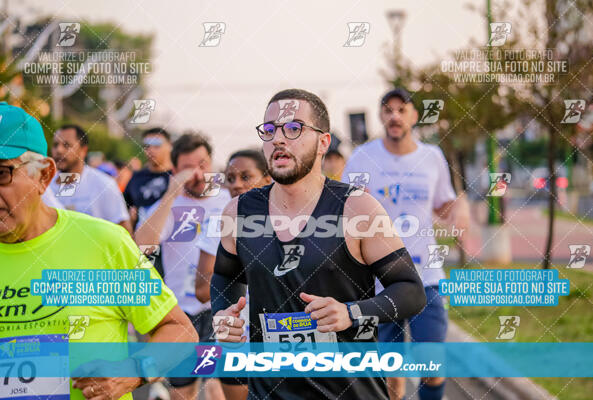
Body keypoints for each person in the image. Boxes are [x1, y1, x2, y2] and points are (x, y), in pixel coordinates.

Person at [210, 89, 427, 399]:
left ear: (323, 142)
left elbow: (411, 291)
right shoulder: (239, 212)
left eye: (293, 128)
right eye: (270, 130)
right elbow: (223, 278)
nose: (279, 140)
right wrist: (224, 314)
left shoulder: (357, 209)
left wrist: (351, 313)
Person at [0, 102, 197, 400]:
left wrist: (133, 371)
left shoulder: (102, 243)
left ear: (43, 175)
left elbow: (180, 333)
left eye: (1, 173)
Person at [342, 87, 470, 400]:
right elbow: (343, 208)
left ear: (413, 116)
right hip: (379, 281)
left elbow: (443, 204)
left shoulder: (432, 157)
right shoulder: (364, 157)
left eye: (402, 110)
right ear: (382, 116)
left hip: (425, 278)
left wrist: (460, 208)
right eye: (388, 110)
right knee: (389, 373)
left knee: (432, 365)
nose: (394, 116)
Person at [135, 133, 230, 400]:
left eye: (203, 164)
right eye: (189, 168)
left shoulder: (228, 201)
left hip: (219, 307)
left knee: (217, 387)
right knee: (182, 391)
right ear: (175, 170)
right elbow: (141, 247)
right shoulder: (165, 206)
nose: (198, 174)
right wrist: (172, 191)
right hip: (180, 314)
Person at [195, 149, 271, 400]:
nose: (236, 184)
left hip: (283, 340)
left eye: (246, 176)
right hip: (236, 341)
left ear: (268, 178)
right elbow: (201, 290)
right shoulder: (219, 222)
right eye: (230, 178)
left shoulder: (291, 221)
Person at [49, 124, 132, 233]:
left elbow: (124, 233)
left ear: (83, 150)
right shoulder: (44, 186)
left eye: (67, 145)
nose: (59, 150)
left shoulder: (104, 185)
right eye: (55, 145)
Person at [124, 128, 173, 229]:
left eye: (157, 145)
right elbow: (124, 210)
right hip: (138, 240)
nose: (151, 150)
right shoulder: (136, 177)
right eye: (147, 146)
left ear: (169, 146)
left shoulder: (177, 178)